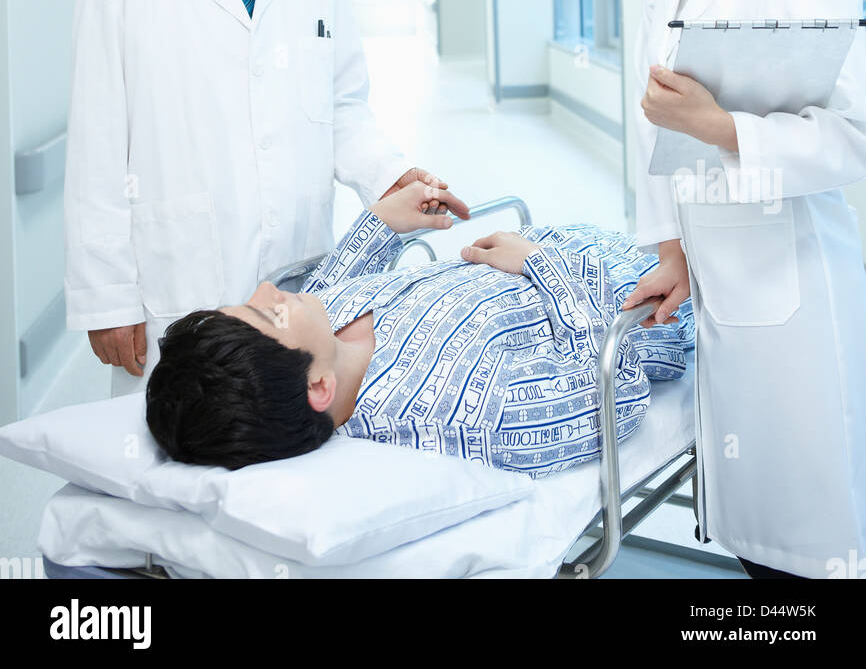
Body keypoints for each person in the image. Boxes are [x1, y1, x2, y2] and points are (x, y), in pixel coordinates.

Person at [63, 0, 460, 397]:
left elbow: (342, 109)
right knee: (180, 448)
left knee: (288, 435)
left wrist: (389, 174)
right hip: (179, 281)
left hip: (296, 288)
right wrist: (105, 295)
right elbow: (95, 151)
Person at [620, 0, 866, 580]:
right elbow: (655, 119)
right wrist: (672, 249)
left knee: (808, 545)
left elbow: (853, 140)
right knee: (755, 529)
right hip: (722, 272)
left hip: (795, 288)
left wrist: (727, 129)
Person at [145, 178, 695, 477]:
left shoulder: (324, 340)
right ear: (318, 388)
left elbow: (328, 294)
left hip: (606, 240)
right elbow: (614, 398)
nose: (268, 292)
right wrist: (540, 263)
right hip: (673, 290)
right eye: (269, 313)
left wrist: (383, 222)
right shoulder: (470, 412)